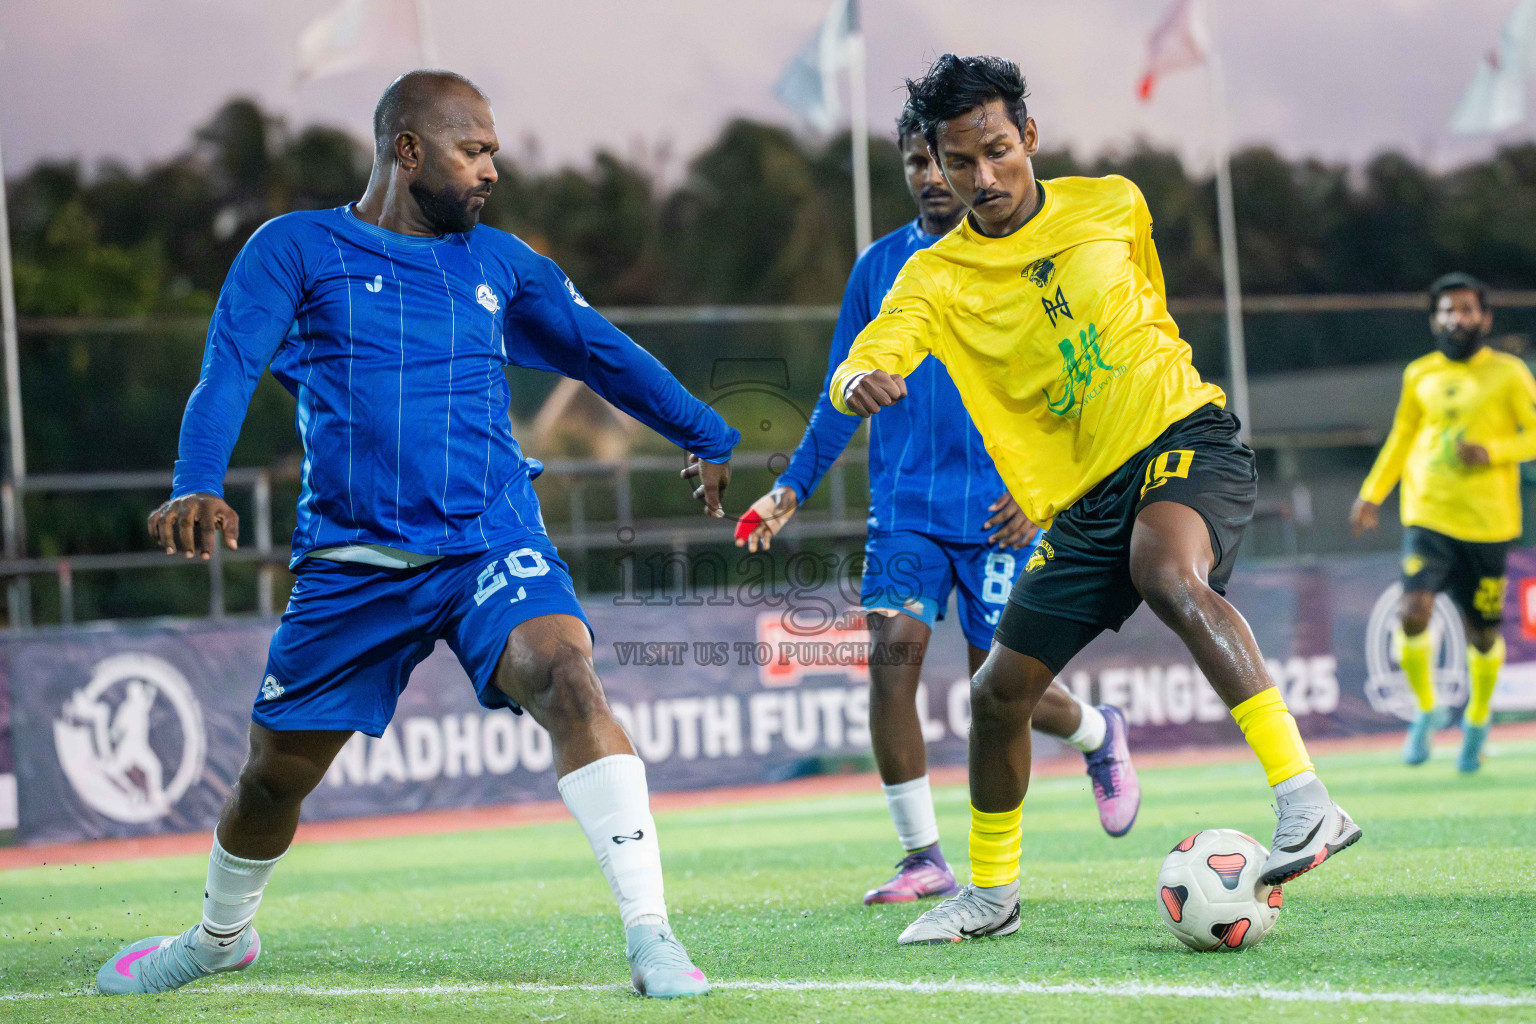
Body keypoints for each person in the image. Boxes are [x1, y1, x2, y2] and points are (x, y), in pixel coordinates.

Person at [96, 70, 734, 999]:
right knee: (273, 779)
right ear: (408, 151)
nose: (491, 170)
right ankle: (219, 935)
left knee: (566, 671)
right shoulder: (295, 249)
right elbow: (228, 368)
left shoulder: (499, 263)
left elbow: (602, 351)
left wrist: (705, 430)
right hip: (351, 560)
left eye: (493, 153)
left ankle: (653, 937)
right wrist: (197, 481)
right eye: (474, 150)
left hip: (489, 540)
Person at [829, 55, 1362, 945]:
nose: (983, 178)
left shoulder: (1114, 201)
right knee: (997, 694)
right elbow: (875, 349)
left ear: (1029, 136)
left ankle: (1305, 800)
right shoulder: (934, 274)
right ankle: (992, 896)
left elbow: (1143, 299)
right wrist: (859, 381)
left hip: (1184, 438)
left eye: (998, 151)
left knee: (1165, 571)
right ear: (937, 166)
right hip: (1082, 501)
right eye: (959, 164)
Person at [737, 106, 1140, 907]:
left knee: (1003, 689)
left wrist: (1044, 494)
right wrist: (790, 489)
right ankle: (923, 856)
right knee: (893, 663)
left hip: (1003, 511)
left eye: (941, 160)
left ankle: (1099, 733)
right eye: (916, 162)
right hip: (907, 510)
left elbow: (1075, 382)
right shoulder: (879, 269)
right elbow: (838, 390)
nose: (930, 176)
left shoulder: (1030, 260)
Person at [1352, 273, 1536, 772]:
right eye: (1449, 310)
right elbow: (1402, 435)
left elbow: (1533, 436)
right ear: (1436, 318)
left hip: (1489, 524)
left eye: (1468, 309)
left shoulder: (1510, 373)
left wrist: (1493, 451)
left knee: (1482, 635)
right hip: (1428, 514)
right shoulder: (1419, 374)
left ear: (1485, 317)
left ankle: (1477, 719)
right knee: (1413, 610)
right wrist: (1373, 493)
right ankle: (1427, 711)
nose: (1459, 318)